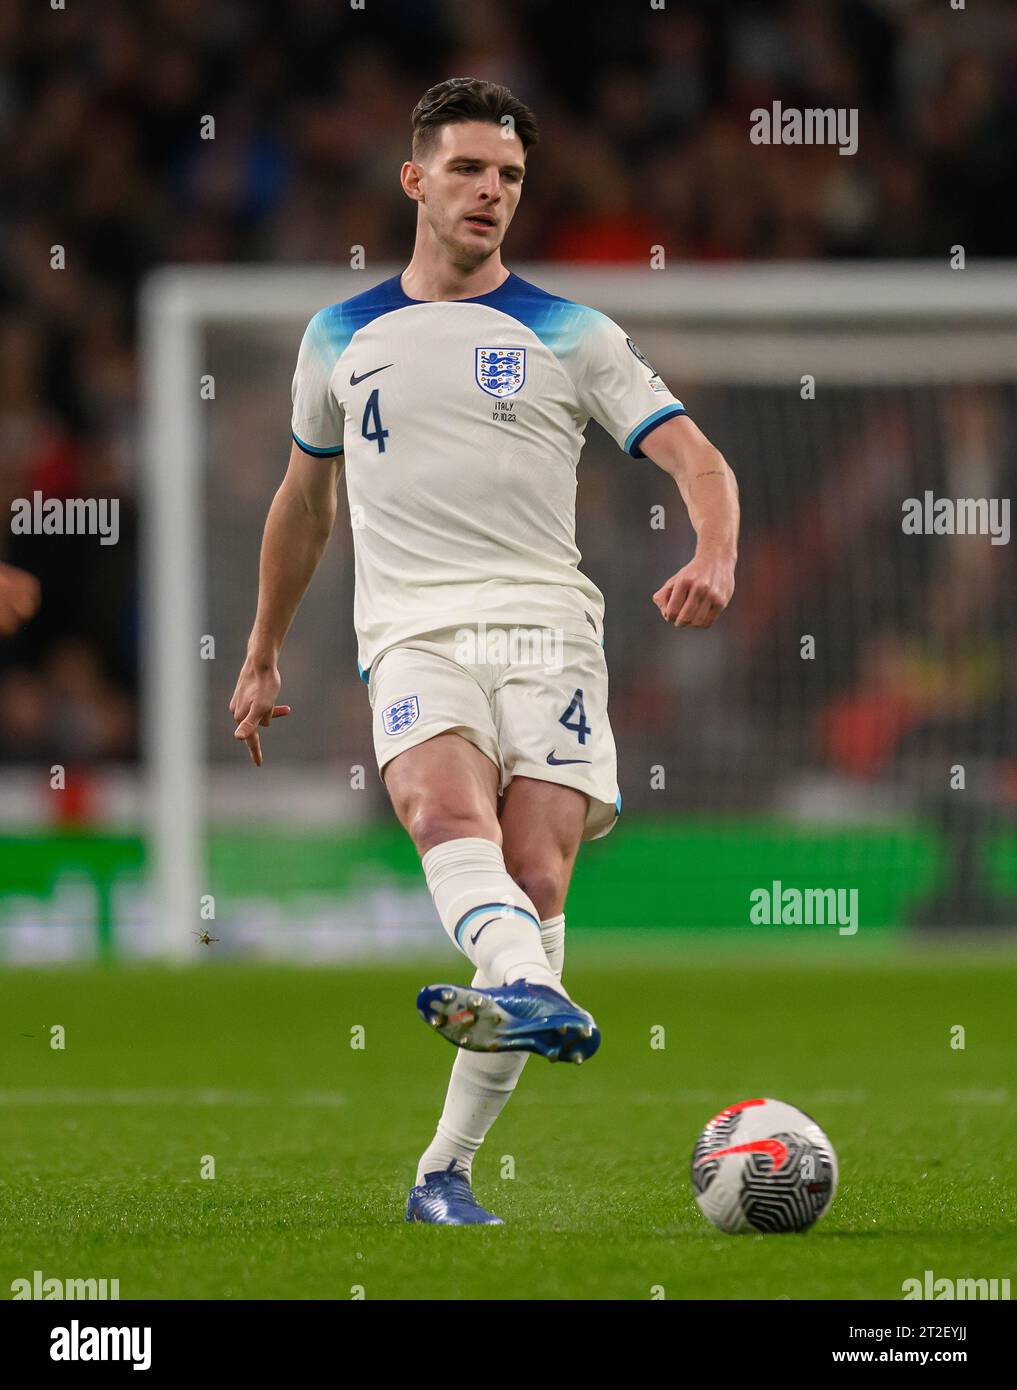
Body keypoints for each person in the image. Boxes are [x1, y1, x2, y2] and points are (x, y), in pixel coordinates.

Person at [229, 78, 739, 1224]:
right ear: (415, 180)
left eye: (509, 176)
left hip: (549, 630)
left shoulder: (574, 332)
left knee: (539, 879)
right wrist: (262, 651)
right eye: (467, 170)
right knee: (441, 816)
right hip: (411, 631)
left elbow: (699, 455)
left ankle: (442, 1170)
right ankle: (531, 990)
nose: (491, 192)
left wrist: (716, 549)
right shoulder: (339, 334)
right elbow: (305, 504)